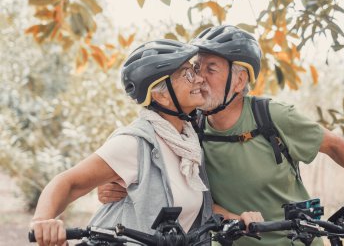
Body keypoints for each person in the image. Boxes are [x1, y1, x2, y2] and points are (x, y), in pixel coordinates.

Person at [99, 25, 344, 245]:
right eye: (197, 68)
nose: (200, 77)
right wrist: (122, 186)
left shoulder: (271, 116)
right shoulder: (187, 130)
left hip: (295, 240)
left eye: (211, 69)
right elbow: (165, 178)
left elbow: (335, 146)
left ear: (240, 79)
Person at [29, 39, 214, 246]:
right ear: (161, 95)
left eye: (194, 70)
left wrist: (242, 217)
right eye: (187, 74)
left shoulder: (188, 145)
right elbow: (68, 182)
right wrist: (42, 221)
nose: (199, 79)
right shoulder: (135, 143)